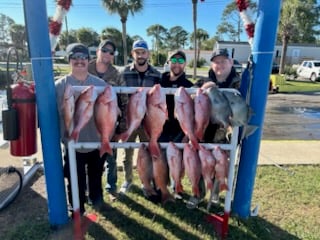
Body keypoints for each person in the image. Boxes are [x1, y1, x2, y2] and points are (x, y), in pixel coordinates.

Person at [55, 43, 108, 215]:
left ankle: (96, 199)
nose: (79, 61)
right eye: (75, 57)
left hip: (95, 140)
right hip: (71, 142)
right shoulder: (58, 86)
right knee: (73, 177)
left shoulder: (100, 84)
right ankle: (77, 206)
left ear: (88, 60)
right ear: (69, 60)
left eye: (83, 57)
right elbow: (53, 115)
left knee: (96, 174)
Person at [195, 48, 241, 204]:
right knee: (202, 163)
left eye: (223, 61)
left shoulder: (240, 83)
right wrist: (201, 89)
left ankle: (215, 193)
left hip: (227, 132)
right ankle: (198, 194)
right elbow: (190, 96)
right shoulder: (203, 81)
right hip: (205, 131)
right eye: (216, 62)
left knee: (221, 163)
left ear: (230, 62)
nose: (219, 65)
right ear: (212, 65)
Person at [118, 39, 161, 194]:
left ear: (148, 54)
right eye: (137, 52)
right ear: (132, 54)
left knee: (148, 153)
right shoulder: (123, 72)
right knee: (127, 153)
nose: (140, 55)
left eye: (143, 52)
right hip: (129, 119)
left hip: (148, 122)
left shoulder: (156, 74)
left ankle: (146, 181)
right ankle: (128, 180)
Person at [88, 39, 127, 202]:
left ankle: (111, 187)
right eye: (104, 50)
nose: (107, 54)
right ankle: (91, 191)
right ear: (97, 50)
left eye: (111, 52)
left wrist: (120, 129)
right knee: (89, 159)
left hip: (109, 123)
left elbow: (124, 100)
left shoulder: (117, 74)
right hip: (88, 125)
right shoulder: (85, 68)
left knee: (111, 158)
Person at [159, 50, 193, 143]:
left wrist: (187, 135)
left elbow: (192, 114)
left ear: (185, 64)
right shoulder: (159, 82)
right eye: (173, 60)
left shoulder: (190, 86)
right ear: (168, 62)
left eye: (181, 61)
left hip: (180, 134)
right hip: (159, 131)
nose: (177, 64)